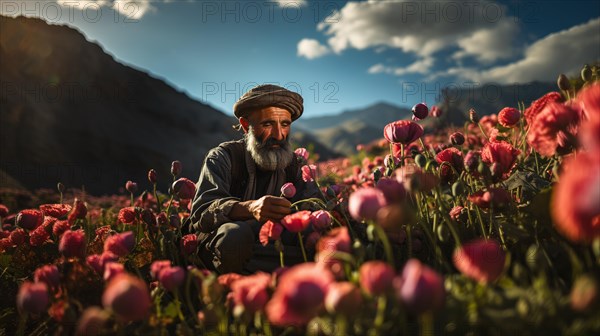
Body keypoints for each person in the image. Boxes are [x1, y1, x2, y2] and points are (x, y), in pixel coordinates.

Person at [187, 84, 320, 274]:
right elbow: (201, 213)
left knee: (313, 234)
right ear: (246, 125)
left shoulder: (295, 164)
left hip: (273, 242)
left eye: (285, 124)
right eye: (267, 124)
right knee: (234, 235)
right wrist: (250, 208)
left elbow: (316, 207)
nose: (278, 135)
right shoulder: (223, 157)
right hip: (229, 244)